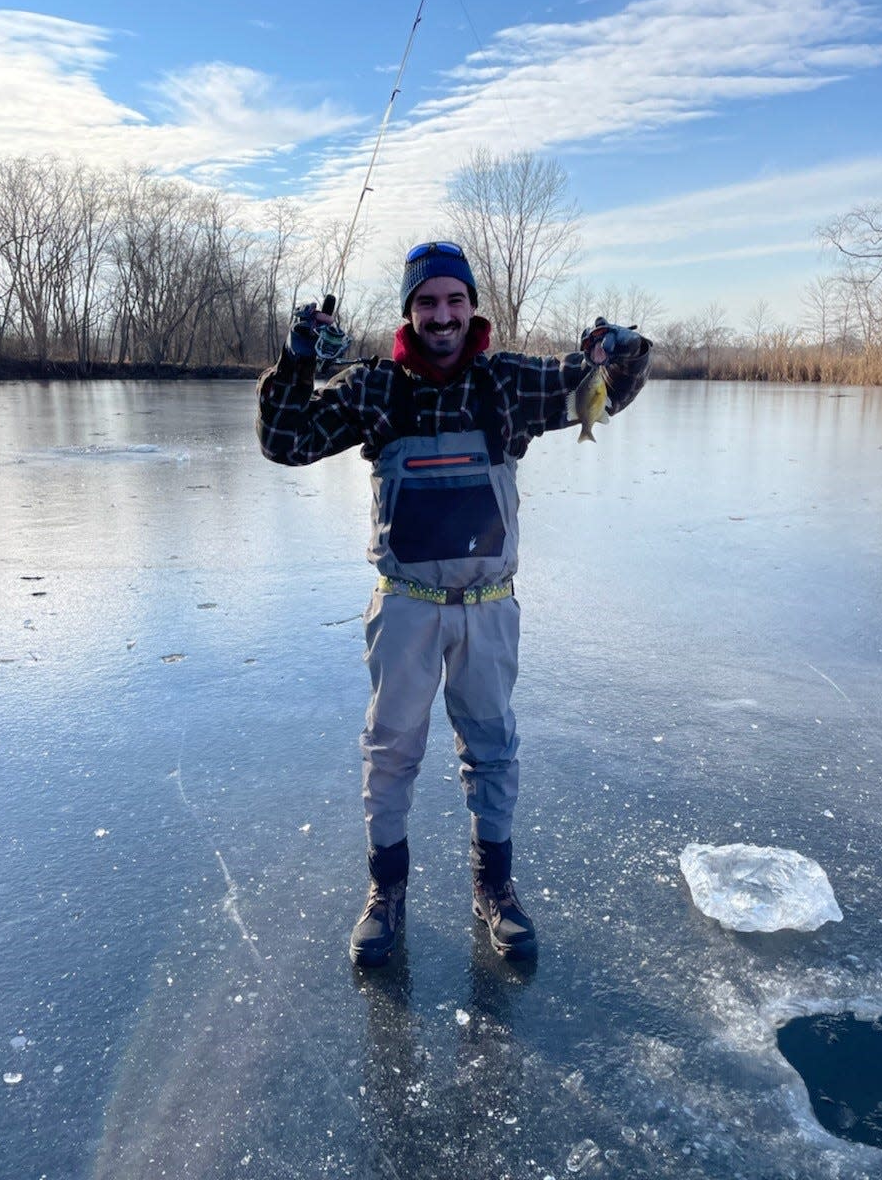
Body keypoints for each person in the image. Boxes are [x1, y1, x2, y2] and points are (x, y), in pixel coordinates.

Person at [257, 241, 651, 968]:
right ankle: (387, 895)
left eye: (454, 300)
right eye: (428, 302)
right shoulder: (376, 389)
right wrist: (298, 358)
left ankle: (494, 890)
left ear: (472, 308)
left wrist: (619, 351)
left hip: (489, 608)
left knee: (493, 750)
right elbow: (284, 442)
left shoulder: (506, 382)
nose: (442, 315)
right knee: (390, 753)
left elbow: (606, 390)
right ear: (411, 310)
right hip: (406, 607)